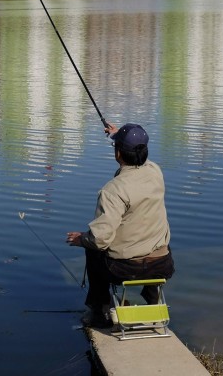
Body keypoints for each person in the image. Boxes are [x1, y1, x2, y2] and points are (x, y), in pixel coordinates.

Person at [66, 121, 174, 328]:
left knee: (93, 249)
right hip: (162, 266)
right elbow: (139, 155)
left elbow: (100, 239)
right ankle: (153, 300)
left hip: (124, 269)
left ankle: (100, 312)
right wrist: (116, 136)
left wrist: (82, 239)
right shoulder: (156, 173)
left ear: (118, 154)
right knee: (159, 239)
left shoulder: (113, 190)